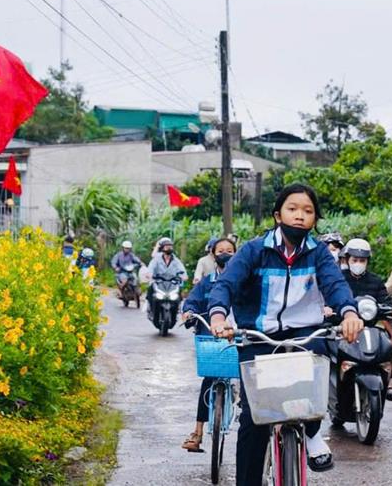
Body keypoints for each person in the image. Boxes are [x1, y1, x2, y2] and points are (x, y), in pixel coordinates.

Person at [207, 183, 363, 484]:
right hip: (258, 335)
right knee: (255, 418)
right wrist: (217, 317)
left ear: (315, 220)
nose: (300, 216)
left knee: (316, 384)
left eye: (308, 211)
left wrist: (350, 313)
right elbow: (226, 284)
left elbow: (336, 286)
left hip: (304, 332)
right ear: (278, 214)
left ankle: (314, 433)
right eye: (293, 209)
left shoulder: (319, 254)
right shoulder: (254, 250)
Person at [181, 237, 237, 452]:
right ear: (213, 254)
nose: (225, 253)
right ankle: (198, 432)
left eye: (230, 250)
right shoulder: (207, 281)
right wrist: (189, 311)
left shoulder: (246, 280)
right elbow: (193, 300)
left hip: (239, 337)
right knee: (209, 380)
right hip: (212, 338)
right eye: (221, 250)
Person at [341, 237, 392, 401]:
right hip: (343, 328)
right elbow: (328, 296)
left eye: (362, 260)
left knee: (386, 347)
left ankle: (386, 381)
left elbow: (385, 299)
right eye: (355, 260)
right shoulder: (339, 279)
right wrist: (326, 308)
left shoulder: (375, 280)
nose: (358, 263)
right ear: (347, 260)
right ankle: (330, 384)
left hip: (369, 328)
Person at [147, 237, 188, 313]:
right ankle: (150, 306)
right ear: (162, 248)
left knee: (179, 290)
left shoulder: (175, 260)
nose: (169, 248)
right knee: (150, 288)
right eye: (167, 246)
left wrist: (184, 276)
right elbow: (151, 268)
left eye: (170, 246)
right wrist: (149, 274)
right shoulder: (157, 258)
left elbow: (182, 270)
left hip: (171, 282)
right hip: (158, 281)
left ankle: (178, 307)